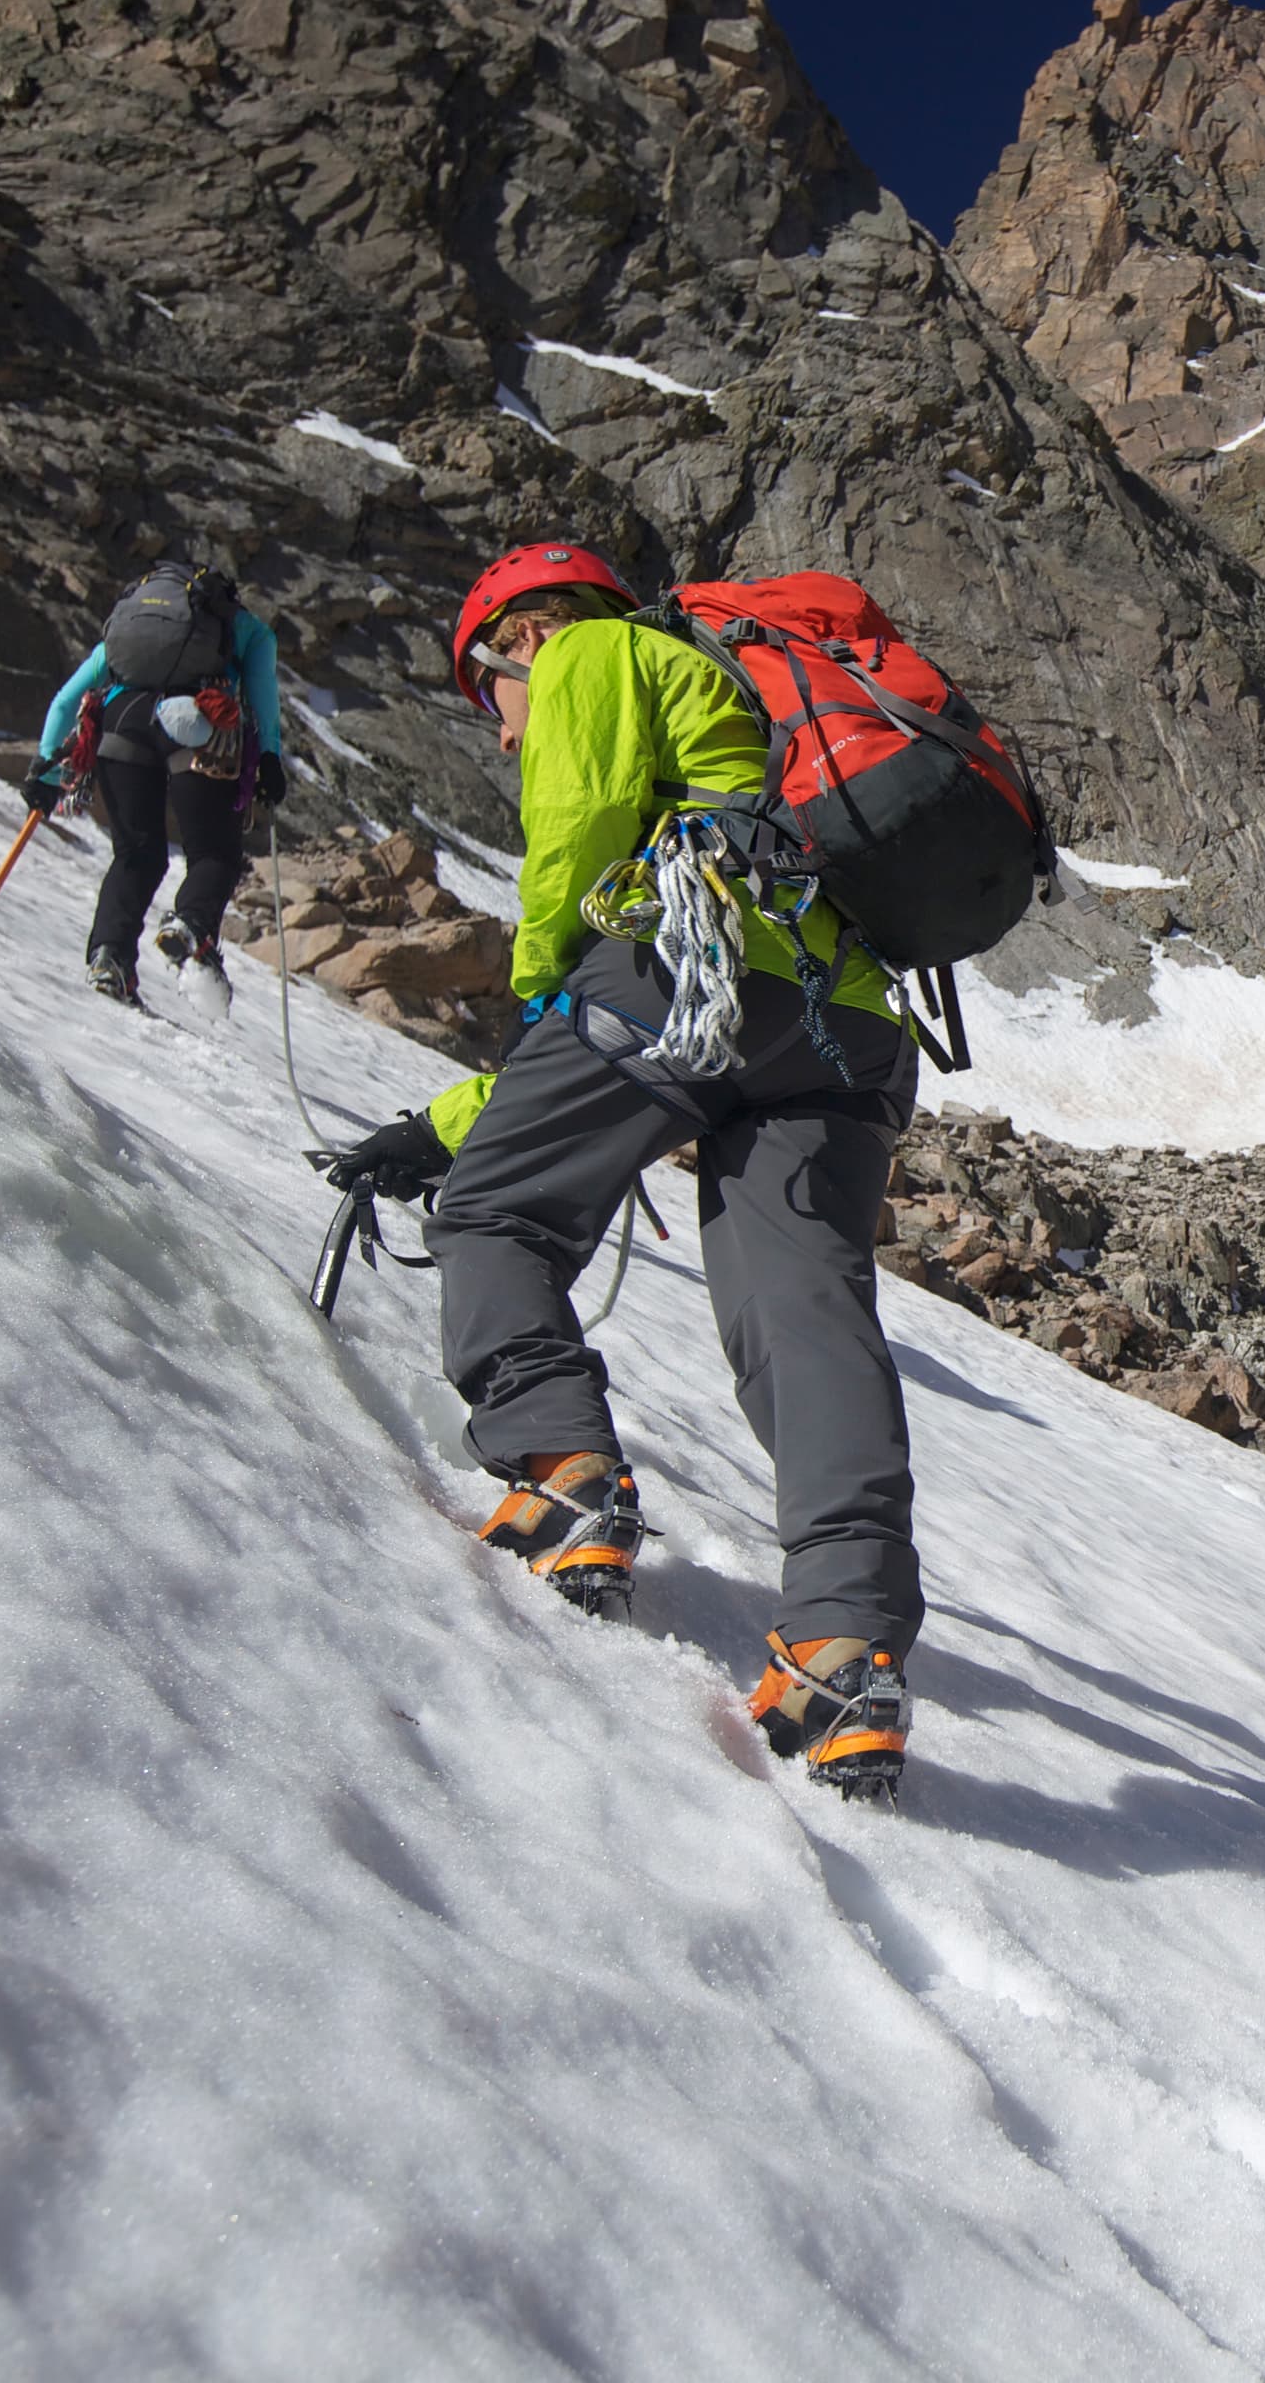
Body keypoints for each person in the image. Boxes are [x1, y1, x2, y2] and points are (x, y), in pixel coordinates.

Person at [319, 540, 930, 1798]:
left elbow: (581, 834)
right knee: (803, 1316)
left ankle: (564, 1475)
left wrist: (541, 1002)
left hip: (680, 961)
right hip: (846, 1027)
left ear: (516, 639)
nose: (497, 733)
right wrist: (447, 1115)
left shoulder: (592, 651)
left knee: (497, 1211)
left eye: (487, 693)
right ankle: (844, 1648)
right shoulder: (734, 716)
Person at [27, 562, 288, 1004]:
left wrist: (46, 772)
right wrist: (269, 759)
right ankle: (190, 925)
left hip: (119, 725)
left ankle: (110, 958)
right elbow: (261, 693)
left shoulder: (131, 629)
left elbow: (66, 699)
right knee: (213, 852)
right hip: (195, 726)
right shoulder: (244, 627)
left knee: (136, 853)